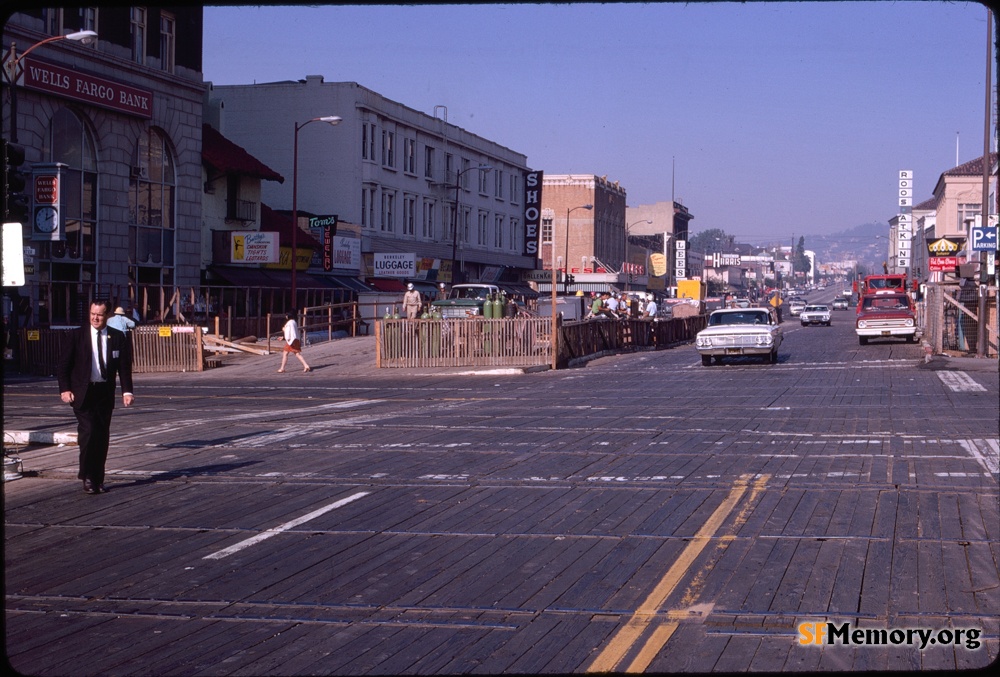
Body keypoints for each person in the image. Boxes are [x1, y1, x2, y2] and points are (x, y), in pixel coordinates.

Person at [56, 299, 134, 494]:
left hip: (104, 394)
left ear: (107, 315)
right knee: (88, 433)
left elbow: (124, 367)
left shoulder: (117, 337)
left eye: (99, 314)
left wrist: (127, 391)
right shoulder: (76, 335)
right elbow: (63, 366)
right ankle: (87, 476)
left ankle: (98, 478)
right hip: (82, 393)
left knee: (101, 436)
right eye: (92, 314)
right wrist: (64, 389)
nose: (95, 318)